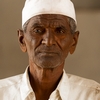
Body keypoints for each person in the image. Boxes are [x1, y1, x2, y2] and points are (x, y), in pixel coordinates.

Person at [0, 0, 100, 100]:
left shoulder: (92, 95)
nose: (48, 41)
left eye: (60, 31)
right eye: (38, 30)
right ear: (22, 40)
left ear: (73, 41)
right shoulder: (2, 94)